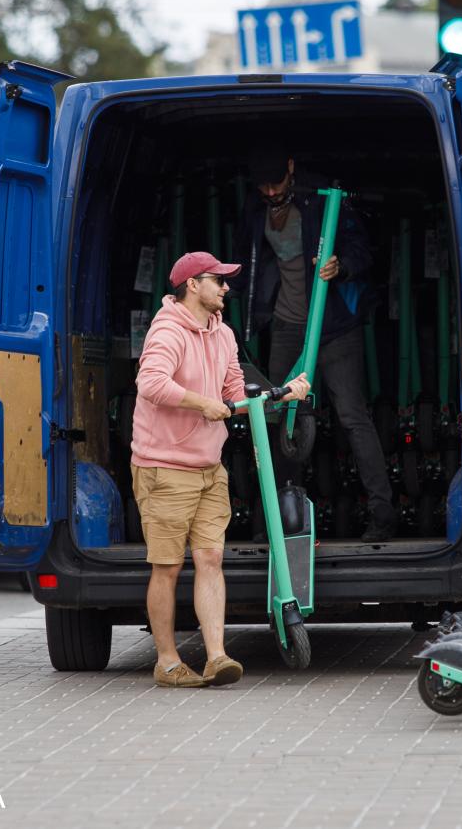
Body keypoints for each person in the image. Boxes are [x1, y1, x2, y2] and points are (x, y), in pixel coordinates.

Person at [132, 251, 310, 687]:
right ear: (192, 285)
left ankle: (216, 656)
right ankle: (168, 662)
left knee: (211, 558)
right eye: (219, 280)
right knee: (168, 567)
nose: (227, 288)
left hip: (210, 466)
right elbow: (150, 383)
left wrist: (281, 394)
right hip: (165, 467)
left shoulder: (223, 334)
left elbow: (234, 389)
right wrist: (201, 402)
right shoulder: (168, 331)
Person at [235, 148, 397, 541]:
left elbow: (363, 250)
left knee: (352, 416)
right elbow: (247, 262)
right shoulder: (256, 210)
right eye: (264, 186)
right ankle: (276, 523)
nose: (271, 191)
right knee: (278, 420)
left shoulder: (323, 199)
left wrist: (341, 265)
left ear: (291, 167)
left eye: (277, 182)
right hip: (288, 327)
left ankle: (382, 517)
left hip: (334, 327)